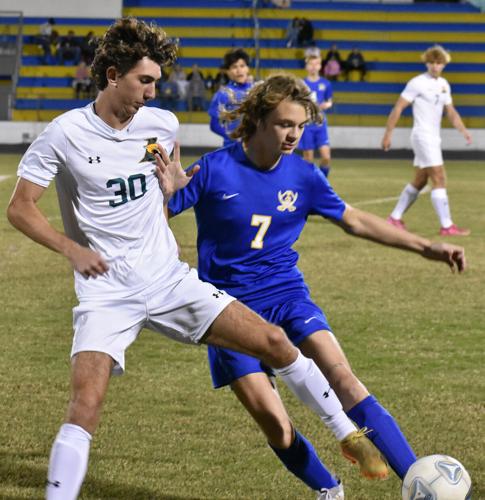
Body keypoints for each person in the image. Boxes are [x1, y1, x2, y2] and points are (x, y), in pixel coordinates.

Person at [7, 19, 381, 500]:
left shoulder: (161, 124)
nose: (154, 91)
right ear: (112, 76)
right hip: (106, 292)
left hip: (167, 279)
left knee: (273, 340)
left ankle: (346, 433)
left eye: (157, 81)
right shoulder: (64, 134)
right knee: (85, 403)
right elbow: (20, 208)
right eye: (145, 81)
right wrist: (71, 248)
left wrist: (172, 188)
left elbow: (171, 183)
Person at [167, 73, 467, 495]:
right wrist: (161, 195)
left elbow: (355, 220)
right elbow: (153, 218)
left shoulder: (304, 176)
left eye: (301, 125)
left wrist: (424, 247)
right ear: (258, 119)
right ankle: (330, 490)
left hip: (286, 295)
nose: (295, 134)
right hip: (228, 309)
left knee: (341, 375)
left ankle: (416, 479)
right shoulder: (213, 169)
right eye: (285, 124)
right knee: (274, 423)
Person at [382, 45, 472, 236]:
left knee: (421, 180)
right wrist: (388, 134)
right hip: (422, 136)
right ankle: (447, 226)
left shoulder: (444, 84)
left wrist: (463, 130)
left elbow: (451, 111)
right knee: (439, 177)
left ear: (444, 64)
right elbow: (398, 108)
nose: (434, 66)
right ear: (426, 63)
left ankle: (394, 218)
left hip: (433, 137)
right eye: (431, 62)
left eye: (438, 63)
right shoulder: (417, 83)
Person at [208, 48, 253, 146]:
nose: (239, 70)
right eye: (234, 67)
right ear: (228, 71)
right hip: (232, 148)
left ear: (248, 68)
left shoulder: (257, 91)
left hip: (256, 148)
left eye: (242, 66)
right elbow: (214, 125)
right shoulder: (223, 94)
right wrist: (233, 136)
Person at [299, 55, 334, 177]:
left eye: (316, 64)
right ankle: (308, 185)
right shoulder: (301, 84)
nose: (313, 67)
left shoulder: (326, 84)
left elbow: (330, 101)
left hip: (320, 124)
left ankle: (322, 181)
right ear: (306, 66)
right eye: (311, 64)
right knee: (308, 158)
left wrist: (326, 105)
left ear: (320, 66)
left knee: (326, 157)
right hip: (306, 124)